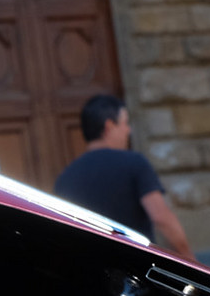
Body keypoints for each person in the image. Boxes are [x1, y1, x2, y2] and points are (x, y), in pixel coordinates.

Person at [53, 93, 195, 261]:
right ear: (109, 126)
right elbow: (161, 217)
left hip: (88, 271)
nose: (129, 130)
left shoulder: (65, 178)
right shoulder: (134, 162)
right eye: (125, 123)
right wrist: (190, 260)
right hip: (133, 270)